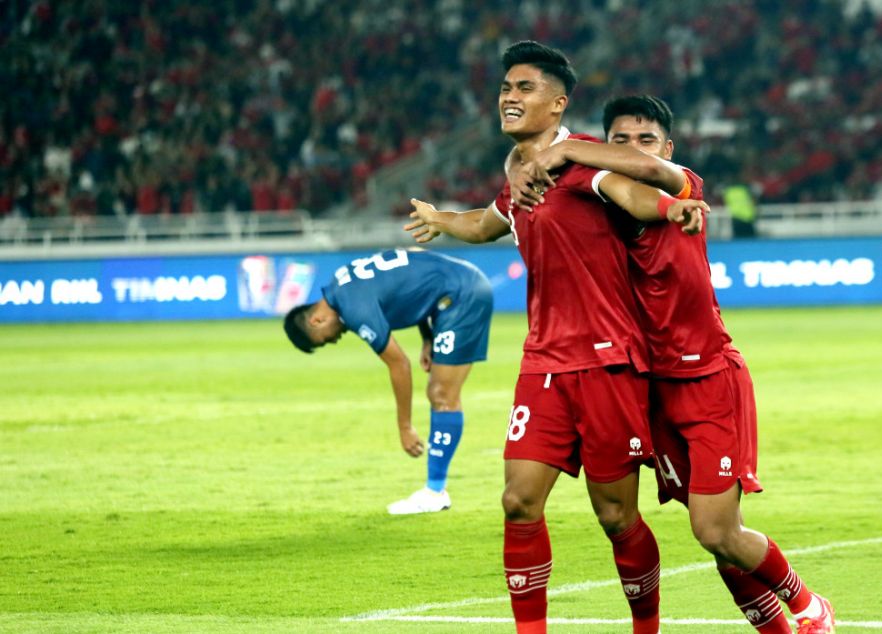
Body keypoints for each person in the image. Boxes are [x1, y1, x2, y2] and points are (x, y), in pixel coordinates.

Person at [404, 42, 705, 634]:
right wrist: (443, 220)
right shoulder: (519, 176)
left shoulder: (587, 167)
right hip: (543, 363)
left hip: (607, 361)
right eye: (505, 88)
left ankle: (648, 628)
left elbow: (640, 195)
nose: (510, 98)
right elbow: (487, 224)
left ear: (558, 103)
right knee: (517, 501)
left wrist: (674, 209)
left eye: (525, 89)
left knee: (616, 517)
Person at [511, 95, 835, 633]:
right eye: (620, 139)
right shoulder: (598, 209)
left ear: (668, 147)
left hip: (708, 378)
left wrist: (571, 147)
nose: (634, 150)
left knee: (716, 531)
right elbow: (520, 199)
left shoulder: (681, 184)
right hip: (647, 388)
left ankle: (807, 606)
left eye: (646, 139)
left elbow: (649, 173)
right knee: (713, 532)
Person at [283, 247, 493, 515]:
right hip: (453, 291)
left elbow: (399, 365)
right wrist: (428, 335)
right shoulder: (341, 282)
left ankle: (435, 492)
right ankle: (435, 490)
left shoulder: (353, 307)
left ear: (316, 320)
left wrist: (405, 427)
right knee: (438, 393)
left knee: (441, 394)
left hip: (462, 294)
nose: (335, 339)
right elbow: (413, 263)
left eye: (326, 339)